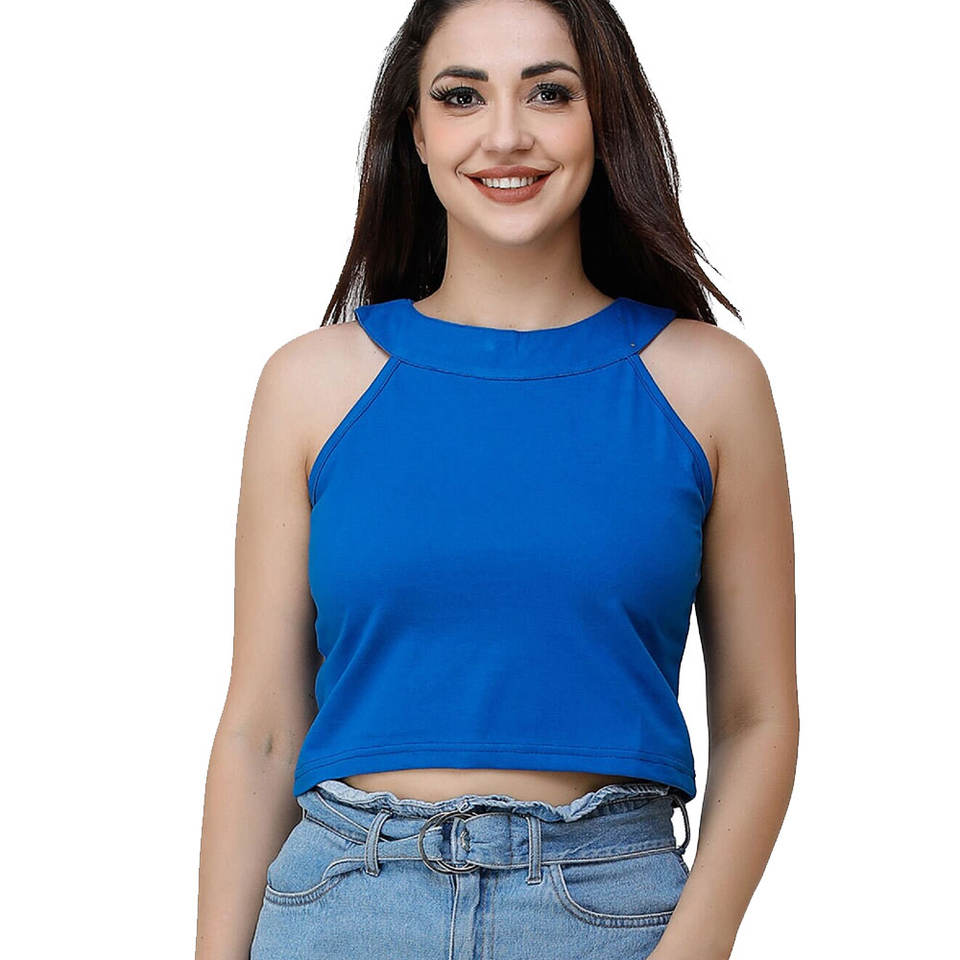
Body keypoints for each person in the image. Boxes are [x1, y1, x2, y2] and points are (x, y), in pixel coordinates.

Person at [194, 1, 798, 958]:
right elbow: (261, 730)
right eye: (461, 96)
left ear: (604, 118)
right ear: (416, 132)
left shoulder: (710, 385)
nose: (506, 134)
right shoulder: (309, 384)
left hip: (610, 913)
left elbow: (758, 717)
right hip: (343, 907)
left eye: (549, 93)